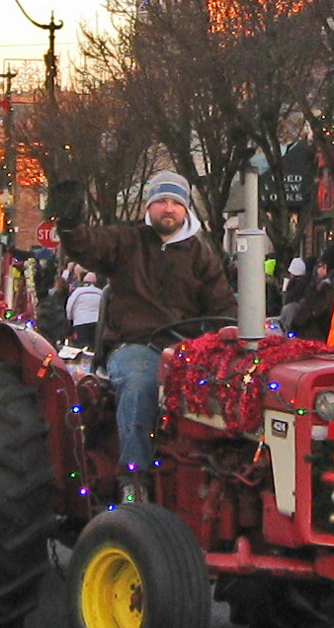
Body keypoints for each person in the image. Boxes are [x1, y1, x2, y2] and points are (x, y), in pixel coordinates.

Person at [55, 172, 233, 496]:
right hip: (137, 345)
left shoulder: (201, 255)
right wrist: (70, 225)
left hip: (186, 349)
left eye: (176, 202)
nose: (169, 208)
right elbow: (88, 245)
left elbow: (223, 305)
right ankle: (134, 482)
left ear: (186, 209)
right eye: (162, 201)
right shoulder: (127, 242)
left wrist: (236, 332)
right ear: (149, 207)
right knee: (140, 384)